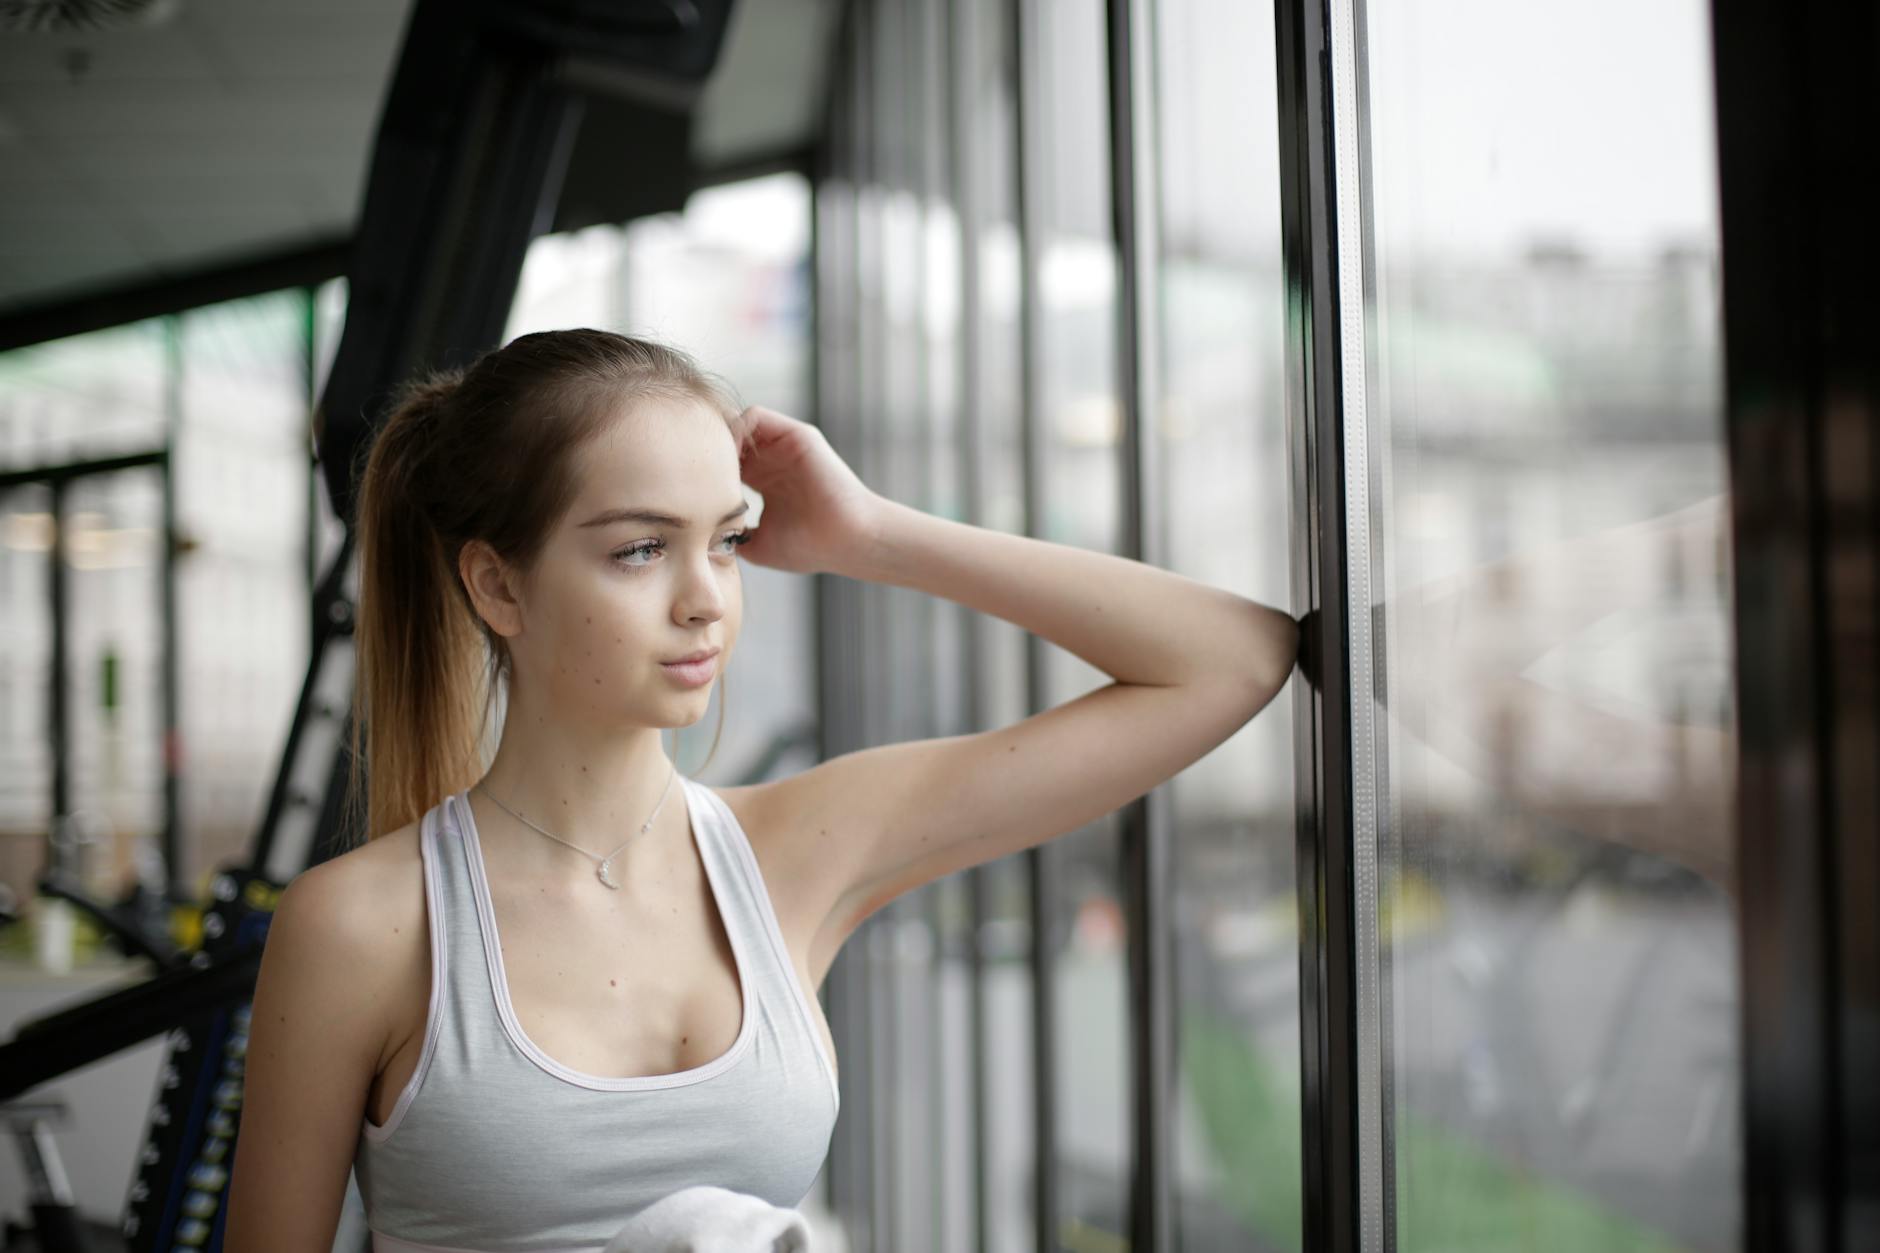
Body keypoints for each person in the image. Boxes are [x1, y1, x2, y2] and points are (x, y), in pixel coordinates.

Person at [224, 328, 1299, 1253]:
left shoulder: (798, 847)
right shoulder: (361, 925)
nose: (706, 601)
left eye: (728, 541)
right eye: (642, 549)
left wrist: (871, 533)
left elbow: (1230, 660)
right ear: (497, 582)